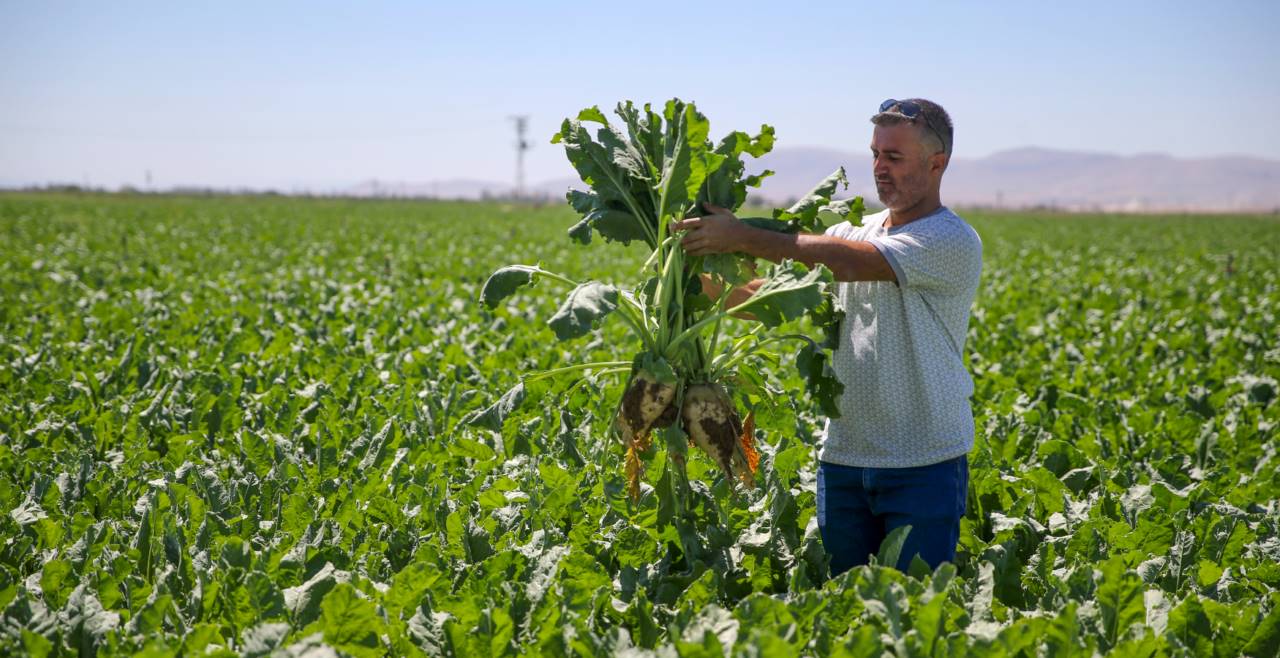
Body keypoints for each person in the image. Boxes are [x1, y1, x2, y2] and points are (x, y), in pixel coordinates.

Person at [672, 98, 982, 575]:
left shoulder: (949, 240)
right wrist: (691, 276)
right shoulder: (850, 232)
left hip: (924, 462)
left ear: (937, 163)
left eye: (894, 157)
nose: (880, 167)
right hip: (843, 459)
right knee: (837, 607)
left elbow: (851, 261)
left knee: (916, 612)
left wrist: (739, 236)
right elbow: (764, 296)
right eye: (875, 154)